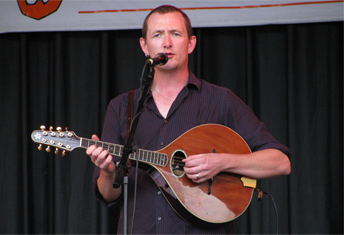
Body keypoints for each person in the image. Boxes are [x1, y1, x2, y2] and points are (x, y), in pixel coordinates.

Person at [86, 5, 291, 234]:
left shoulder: (220, 100)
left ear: (191, 43)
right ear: (145, 46)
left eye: (175, 34)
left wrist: (221, 162)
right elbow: (108, 194)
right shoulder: (121, 107)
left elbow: (280, 162)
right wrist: (107, 171)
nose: (167, 43)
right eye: (157, 35)